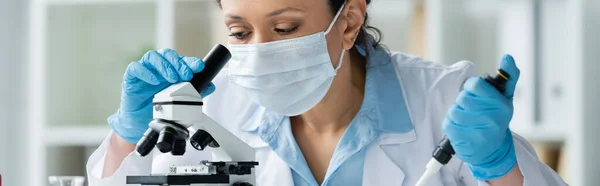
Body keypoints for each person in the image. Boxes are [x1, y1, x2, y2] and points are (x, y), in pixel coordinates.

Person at [86, 0, 568, 185]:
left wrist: (501, 168)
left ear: (350, 20)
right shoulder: (211, 109)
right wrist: (129, 134)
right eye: (239, 32)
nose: (260, 50)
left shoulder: (441, 100)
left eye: (285, 27)